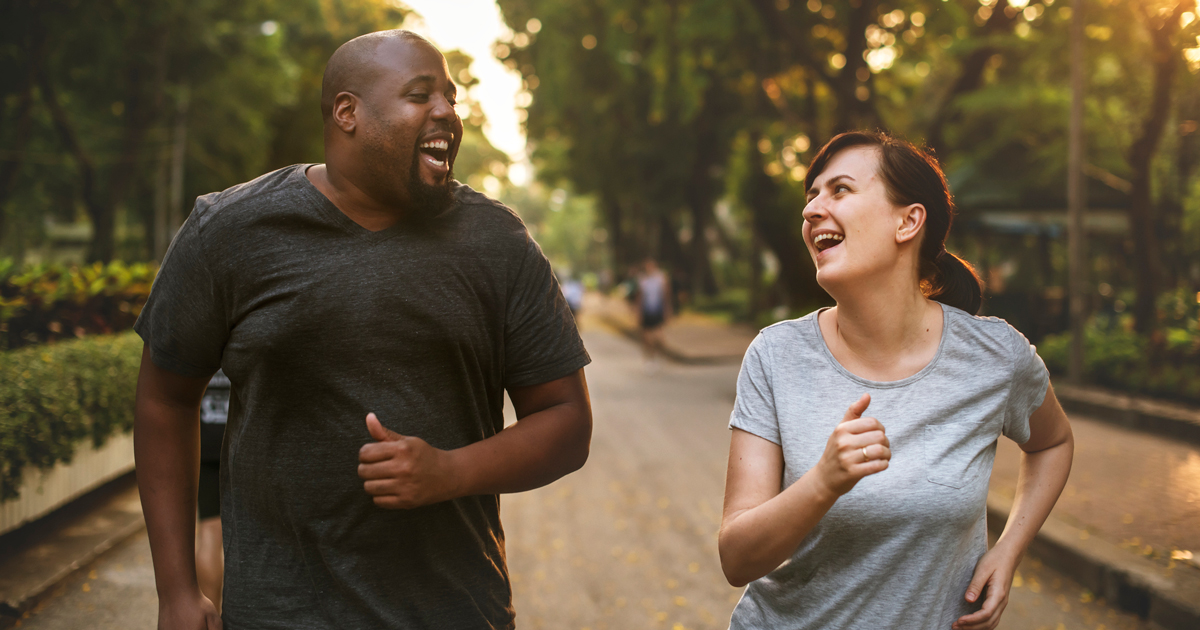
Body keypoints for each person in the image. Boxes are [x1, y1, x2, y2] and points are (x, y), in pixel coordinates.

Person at [133, 30, 592, 630]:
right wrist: (176, 591)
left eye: (451, 98)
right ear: (348, 113)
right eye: (419, 95)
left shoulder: (497, 243)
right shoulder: (229, 231)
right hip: (279, 615)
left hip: (455, 613)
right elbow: (165, 399)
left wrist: (452, 471)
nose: (447, 114)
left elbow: (567, 421)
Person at [718, 131, 1073, 630]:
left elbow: (1052, 443)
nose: (813, 209)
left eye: (839, 190)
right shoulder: (776, 355)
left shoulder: (995, 357)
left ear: (908, 221)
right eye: (812, 195)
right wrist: (823, 482)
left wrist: (1008, 550)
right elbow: (736, 558)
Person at [195, 370, 229, 612]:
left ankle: (211, 616)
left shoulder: (204, 334)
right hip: (242, 444)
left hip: (204, 444)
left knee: (209, 532)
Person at [636, 257, 671, 367]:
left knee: (658, 335)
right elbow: (640, 297)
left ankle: (660, 354)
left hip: (657, 310)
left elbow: (666, 296)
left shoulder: (661, 278)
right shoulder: (643, 280)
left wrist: (667, 309)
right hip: (647, 311)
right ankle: (649, 357)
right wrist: (638, 312)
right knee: (646, 337)